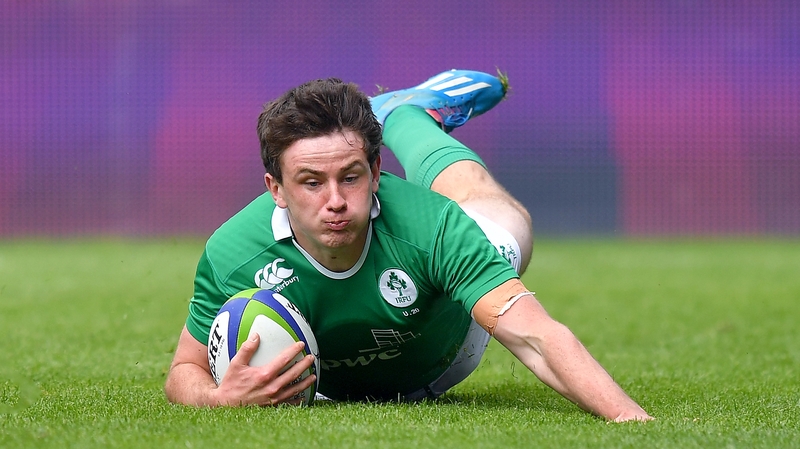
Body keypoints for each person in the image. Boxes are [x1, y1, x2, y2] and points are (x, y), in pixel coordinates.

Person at [164, 69, 653, 422]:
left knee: (505, 224)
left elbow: (537, 338)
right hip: (337, 392)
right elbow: (184, 371)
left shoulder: (432, 229)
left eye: (351, 177)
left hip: (451, 349)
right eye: (311, 182)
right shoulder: (234, 255)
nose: (335, 201)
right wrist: (218, 399)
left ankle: (406, 116)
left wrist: (632, 422)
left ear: (377, 172)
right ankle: (405, 110)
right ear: (275, 188)